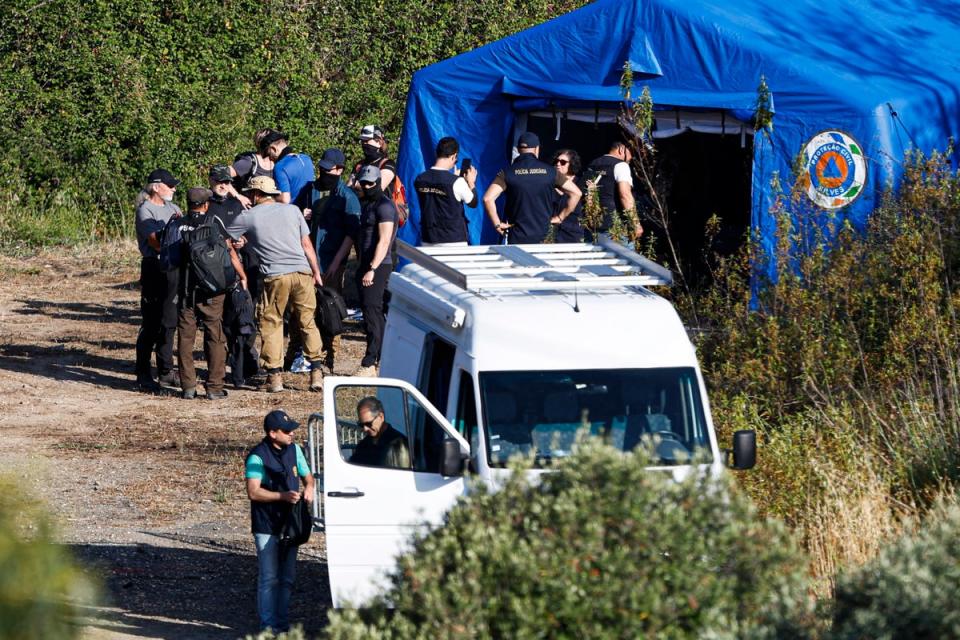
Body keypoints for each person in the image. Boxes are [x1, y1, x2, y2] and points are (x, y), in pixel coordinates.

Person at [231, 176, 324, 393]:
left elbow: (227, 238)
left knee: (271, 322)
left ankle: (274, 378)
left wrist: (243, 244)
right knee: (307, 321)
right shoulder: (293, 210)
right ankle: (316, 374)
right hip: (302, 272)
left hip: (275, 276)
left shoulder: (248, 216)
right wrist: (316, 272)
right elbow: (307, 244)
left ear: (255, 194)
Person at [173, 187, 247, 400]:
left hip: (186, 289)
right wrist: (241, 275)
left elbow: (168, 256)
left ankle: (188, 386)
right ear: (206, 204)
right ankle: (214, 386)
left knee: (186, 337)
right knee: (214, 335)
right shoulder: (214, 223)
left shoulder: (178, 224)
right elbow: (230, 250)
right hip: (212, 289)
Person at [245, 409, 315, 633]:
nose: (292, 434)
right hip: (267, 526)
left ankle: (282, 626)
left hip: (290, 526)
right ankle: (268, 628)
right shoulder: (257, 456)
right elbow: (253, 492)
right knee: (269, 578)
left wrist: (310, 488)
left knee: (287, 578)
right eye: (287, 431)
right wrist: (281, 496)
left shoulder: (295, 450)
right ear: (272, 433)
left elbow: (308, 477)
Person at [306, 147, 361, 373]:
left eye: (328, 169)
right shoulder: (311, 190)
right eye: (322, 168)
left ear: (339, 170)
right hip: (309, 260)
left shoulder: (347, 197)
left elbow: (351, 234)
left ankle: (331, 356)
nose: (323, 172)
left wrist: (337, 263)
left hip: (332, 261)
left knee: (331, 310)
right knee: (307, 310)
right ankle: (309, 355)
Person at [209, 164, 261, 387]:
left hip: (242, 270)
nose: (223, 185)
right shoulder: (205, 205)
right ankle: (226, 371)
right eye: (219, 181)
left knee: (244, 322)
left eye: (227, 181)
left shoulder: (237, 204)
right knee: (224, 324)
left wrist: (243, 240)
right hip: (216, 270)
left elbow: (249, 232)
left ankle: (245, 368)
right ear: (211, 181)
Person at [482, 132, 581, 244]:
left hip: (517, 236)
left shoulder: (507, 172)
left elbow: (487, 198)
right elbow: (576, 193)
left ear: (519, 150)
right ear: (536, 149)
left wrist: (497, 224)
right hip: (544, 237)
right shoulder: (550, 172)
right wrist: (560, 217)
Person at [134, 168, 182, 391]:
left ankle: (166, 371)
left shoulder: (173, 208)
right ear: (155, 187)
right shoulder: (146, 210)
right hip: (155, 267)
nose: (173, 188)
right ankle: (143, 373)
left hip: (173, 267)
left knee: (169, 322)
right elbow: (156, 242)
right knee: (151, 323)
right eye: (169, 185)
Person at [352, 165, 397, 376]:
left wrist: (372, 268)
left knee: (372, 311)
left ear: (378, 183)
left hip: (378, 265)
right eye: (364, 183)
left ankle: (370, 361)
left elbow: (384, 240)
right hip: (366, 263)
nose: (367, 186)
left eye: (371, 183)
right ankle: (381, 357)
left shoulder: (385, 206)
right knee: (373, 312)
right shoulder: (366, 204)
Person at [414, 136, 478, 246]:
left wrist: (454, 177)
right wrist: (471, 182)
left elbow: (437, 193)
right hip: (453, 241)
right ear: (453, 156)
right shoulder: (456, 182)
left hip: (428, 239)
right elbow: (473, 202)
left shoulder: (420, 179)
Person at [585, 140, 643, 239]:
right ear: (621, 150)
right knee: (624, 254)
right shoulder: (621, 165)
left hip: (593, 224)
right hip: (616, 226)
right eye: (631, 153)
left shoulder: (593, 164)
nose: (631, 157)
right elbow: (625, 195)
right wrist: (635, 223)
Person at [350, 397, 410, 468]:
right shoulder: (363, 445)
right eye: (361, 425)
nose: (365, 429)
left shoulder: (399, 444)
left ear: (381, 417)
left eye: (368, 424)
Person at [262, 131, 315, 211]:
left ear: (273, 149)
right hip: (309, 212)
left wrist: (268, 197)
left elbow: (285, 199)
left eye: (268, 154)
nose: (269, 158)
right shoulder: (307, 158)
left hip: (292, 215)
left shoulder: (280, 166)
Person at [231, 128, 277, 208]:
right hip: (248, 211)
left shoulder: (277, 162)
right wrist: (237, 196)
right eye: (276, 142)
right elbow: (221, 174)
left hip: (269, 211)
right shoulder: (249, 162)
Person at [549, 149, 585, 242]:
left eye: (563, 162)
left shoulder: (581, 184)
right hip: (551, 236)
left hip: (573, 236)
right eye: (556, 161)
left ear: (572, 164)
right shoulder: (549, 184)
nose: (558, 164)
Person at [348, 125, 396, 192]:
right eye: (362, 141)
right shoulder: (359, 165)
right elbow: (348, 188)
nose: (364, 144)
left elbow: (377, 190)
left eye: (367, 140)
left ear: (379, 143)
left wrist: (355, 184)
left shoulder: (388, 164)